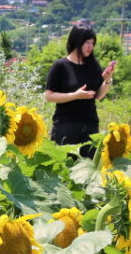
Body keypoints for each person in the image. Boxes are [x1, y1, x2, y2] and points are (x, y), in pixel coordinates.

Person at [44, 24, 116, 158]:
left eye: (92, 43)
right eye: (87, 42)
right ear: (76, 41)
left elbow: (98, 96)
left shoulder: (93, 65)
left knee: (87, 170)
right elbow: (49, 96)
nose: (90, 47)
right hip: (65, 126)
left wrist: (107, 81)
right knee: (64, 168)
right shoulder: (60, 66)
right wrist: (75, 95)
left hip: (90, 126)